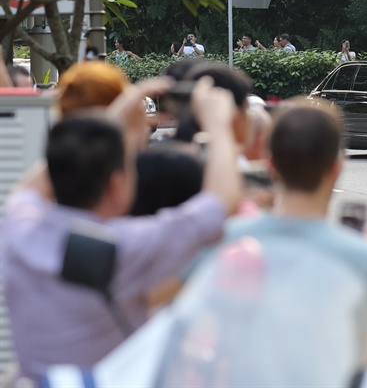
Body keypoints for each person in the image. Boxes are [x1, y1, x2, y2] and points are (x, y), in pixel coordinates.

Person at [0, 76, 242, 381]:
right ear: (117, 184)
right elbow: (220, 203)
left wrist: (120, 111)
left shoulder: (20, 229)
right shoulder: (125, 248)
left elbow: (31, 187)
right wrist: (218, 124)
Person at [159, 98, 367, 387]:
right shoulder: (364, 259)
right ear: (336, 167)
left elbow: (159, 298)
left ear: (270, 166)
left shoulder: (227, 238)